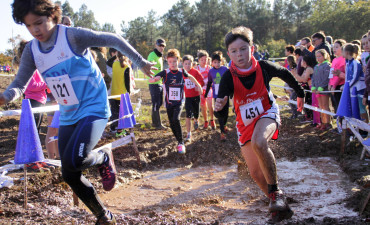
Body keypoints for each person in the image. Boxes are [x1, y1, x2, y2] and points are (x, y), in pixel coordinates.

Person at [0, 1, 156, 224]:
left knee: (77, 158)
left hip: (94, 106)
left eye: (39, 23)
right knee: (69, 172)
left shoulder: (72, 36)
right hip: (69, 112)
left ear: (52, 16)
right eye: (29, 26)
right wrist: (5, 97)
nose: (36, 30)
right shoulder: (32, 51)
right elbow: (19, 83)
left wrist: (140, 62)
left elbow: (112, 39)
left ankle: (103, 157)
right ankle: (103, 215)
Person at [214, 26, 304, 223]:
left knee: (259, 142)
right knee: (255, 173)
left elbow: (285, 74)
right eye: (234, 51)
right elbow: (221, 112)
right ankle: (280, 207)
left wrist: (300, 94)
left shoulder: (263, 67)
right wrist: (218, 108)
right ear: (228, 54)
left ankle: (276, 193)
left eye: (243, 49)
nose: (239, 54)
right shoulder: (228, 76)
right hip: (244, 124)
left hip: (267, 113)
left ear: (252, 49)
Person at [149, 49, 202, 154]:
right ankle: (179, 140)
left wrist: (198, 85)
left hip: (179, 102)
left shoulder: (182, 72)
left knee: (176, 118)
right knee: (172, 123)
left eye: (174, 61)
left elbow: (190, 76)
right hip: (169, 103)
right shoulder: (166, 72)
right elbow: (157, 76)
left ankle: (181, 142)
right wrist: (153, 79)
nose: (172, 64)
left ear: (178, 61)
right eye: (170, 62)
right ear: (167, 62)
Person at [205, 51, 229, 140]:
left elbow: (229, 81)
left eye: (218, 62)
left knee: (226, 112)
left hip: (225, 95)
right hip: (217, 95)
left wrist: (230, 92)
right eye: (215, 62)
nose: (217, 64)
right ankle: (222, 132)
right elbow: (209, 82)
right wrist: (206, 92)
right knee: (219, 113)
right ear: (212, 62)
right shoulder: (210, 71)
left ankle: (225, 125)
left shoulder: (225, 69)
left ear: (221, 61)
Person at [182, 55, 204, 143]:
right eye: (186, 64)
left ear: (192, 64)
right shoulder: (181, 73)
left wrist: (198, 86)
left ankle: (196, 120)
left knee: (196, 113)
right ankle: (188, 133)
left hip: (195, 96)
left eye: (189, 64)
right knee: (188, 115)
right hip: (187, 97)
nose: (187, 65)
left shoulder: (195, 72)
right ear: (182, 64)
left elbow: (202, 82)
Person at [109, 51, 131, 137]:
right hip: (122, 94)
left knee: (114, 112)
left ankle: (113, 128)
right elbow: (127, 82)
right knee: (121, 114)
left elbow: (108, 62)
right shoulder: (127, 66)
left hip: (113, 93)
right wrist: (128, 92)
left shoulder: (114, 64)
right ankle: (119, 131)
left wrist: (115, 56)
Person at [344, 43, 368, 122]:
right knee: (355, 109)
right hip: (352, 90)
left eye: (343, 51)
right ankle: (359, 128)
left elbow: (355, 77)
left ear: (347, 52)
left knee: (362, 109)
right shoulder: (348, 63)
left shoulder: (355, 62)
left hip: (359, 89)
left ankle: (366, 130)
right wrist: (346, 86)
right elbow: (347, 77)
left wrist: (347, 86)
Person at [147, 38, 166, 129]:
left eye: (163, 46)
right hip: (154, 82)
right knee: (156, 103)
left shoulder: (160, 56)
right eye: (160, 45)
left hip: (159, 82)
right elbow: (150, 65)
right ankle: (158, 124)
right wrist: (152, 79)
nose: (161, 47)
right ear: (156, 45)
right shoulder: (152, 55)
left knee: (159, 103)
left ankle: (155, 122)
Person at [311, 49, 331, 130]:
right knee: (320, 106)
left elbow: (326, 78)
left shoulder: (327, 65)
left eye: (320, 56)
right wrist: (313, 86)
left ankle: (328, 122)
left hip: (324, 89)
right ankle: (323, 121)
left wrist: (321, 87)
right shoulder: (316, 66)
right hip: (317, 89)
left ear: (324, 56)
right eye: (317, 57)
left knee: (325, 105)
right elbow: (314, 78)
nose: (318, 58)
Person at [196, 50, 215, 129]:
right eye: (202, 60)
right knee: (203, 106)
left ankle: (212, 120)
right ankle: (206, 121)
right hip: (201, 90)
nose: (204, 61)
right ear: (199, 60)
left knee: (210, 105)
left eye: (205, 59)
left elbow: (213, 78)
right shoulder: (196, 68)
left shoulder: (209, 68)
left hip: (209, 89)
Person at [328, 39, 346, 113]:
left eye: (337, 47)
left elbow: (339, 74)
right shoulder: (334, 59)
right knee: (335, 104)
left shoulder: (343, 59)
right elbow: (331, 72)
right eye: (334, 47)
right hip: (332, 86)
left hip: (339, 85)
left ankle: (342, 122)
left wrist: (334, 86)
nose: (334, 49)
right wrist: (329, 83)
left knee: (340, 104)